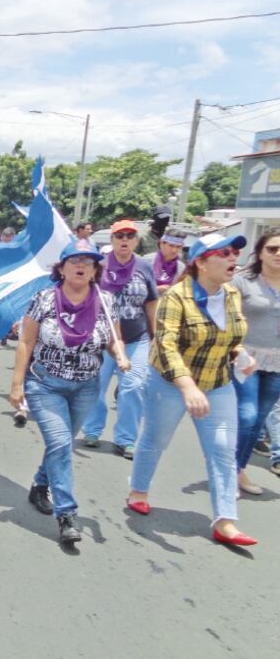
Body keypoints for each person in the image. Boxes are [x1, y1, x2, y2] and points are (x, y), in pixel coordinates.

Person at [127, 233, 258, 547]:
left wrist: (240, 352)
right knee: (155, 439)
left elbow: (231, 335)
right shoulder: (176, 296)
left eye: (235, 252)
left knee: (223, 449)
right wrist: (187, 386)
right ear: (200, 261)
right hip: (170, 382)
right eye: (224, 252)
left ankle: (225, 520)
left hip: (217, 382)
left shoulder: (230, 295)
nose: (233, 258)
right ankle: (138, 490)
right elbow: (166, 345)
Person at [10, 238, 127, 545]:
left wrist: (121, 354)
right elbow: (26, 342)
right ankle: (67, 514)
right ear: (61, 268)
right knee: (61, 444)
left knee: (60, 445)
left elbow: (114, 338)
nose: (80, 266)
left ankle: (39, 484)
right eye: (74, 261)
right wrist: (16, 384)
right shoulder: (44, 298)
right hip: (45, 384)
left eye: (87, 262)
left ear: (95, 270)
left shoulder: (106, 300)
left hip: (86, 386)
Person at [81, 219, 158, 458]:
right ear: (112, 240)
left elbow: (152, 301)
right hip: (103, 341)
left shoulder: (144, 267)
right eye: (119, 236)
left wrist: (156, 335)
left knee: (133, 387)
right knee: (95, 387)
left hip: (137, 339)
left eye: (129, 236)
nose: (124, 240)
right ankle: (92, 430)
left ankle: (125, 439)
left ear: (136, 240)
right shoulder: (99, 266)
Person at [230, 227, 280, 495]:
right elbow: (227, 316)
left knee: (260, 420)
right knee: (247, 415)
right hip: (245, 357)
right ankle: (229, 470)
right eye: (272, 248)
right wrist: (235, 348)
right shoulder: (242, 282)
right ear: (260, 253)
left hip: (277, 363)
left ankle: (239, 469)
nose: (278, 254)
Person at [144, 228, 187, 295]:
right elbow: (134, 287)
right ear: (161, 243)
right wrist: (155, 289)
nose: (174, 250)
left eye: (178, 247)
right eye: (171, 245)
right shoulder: (146, 261)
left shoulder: (181, 267)